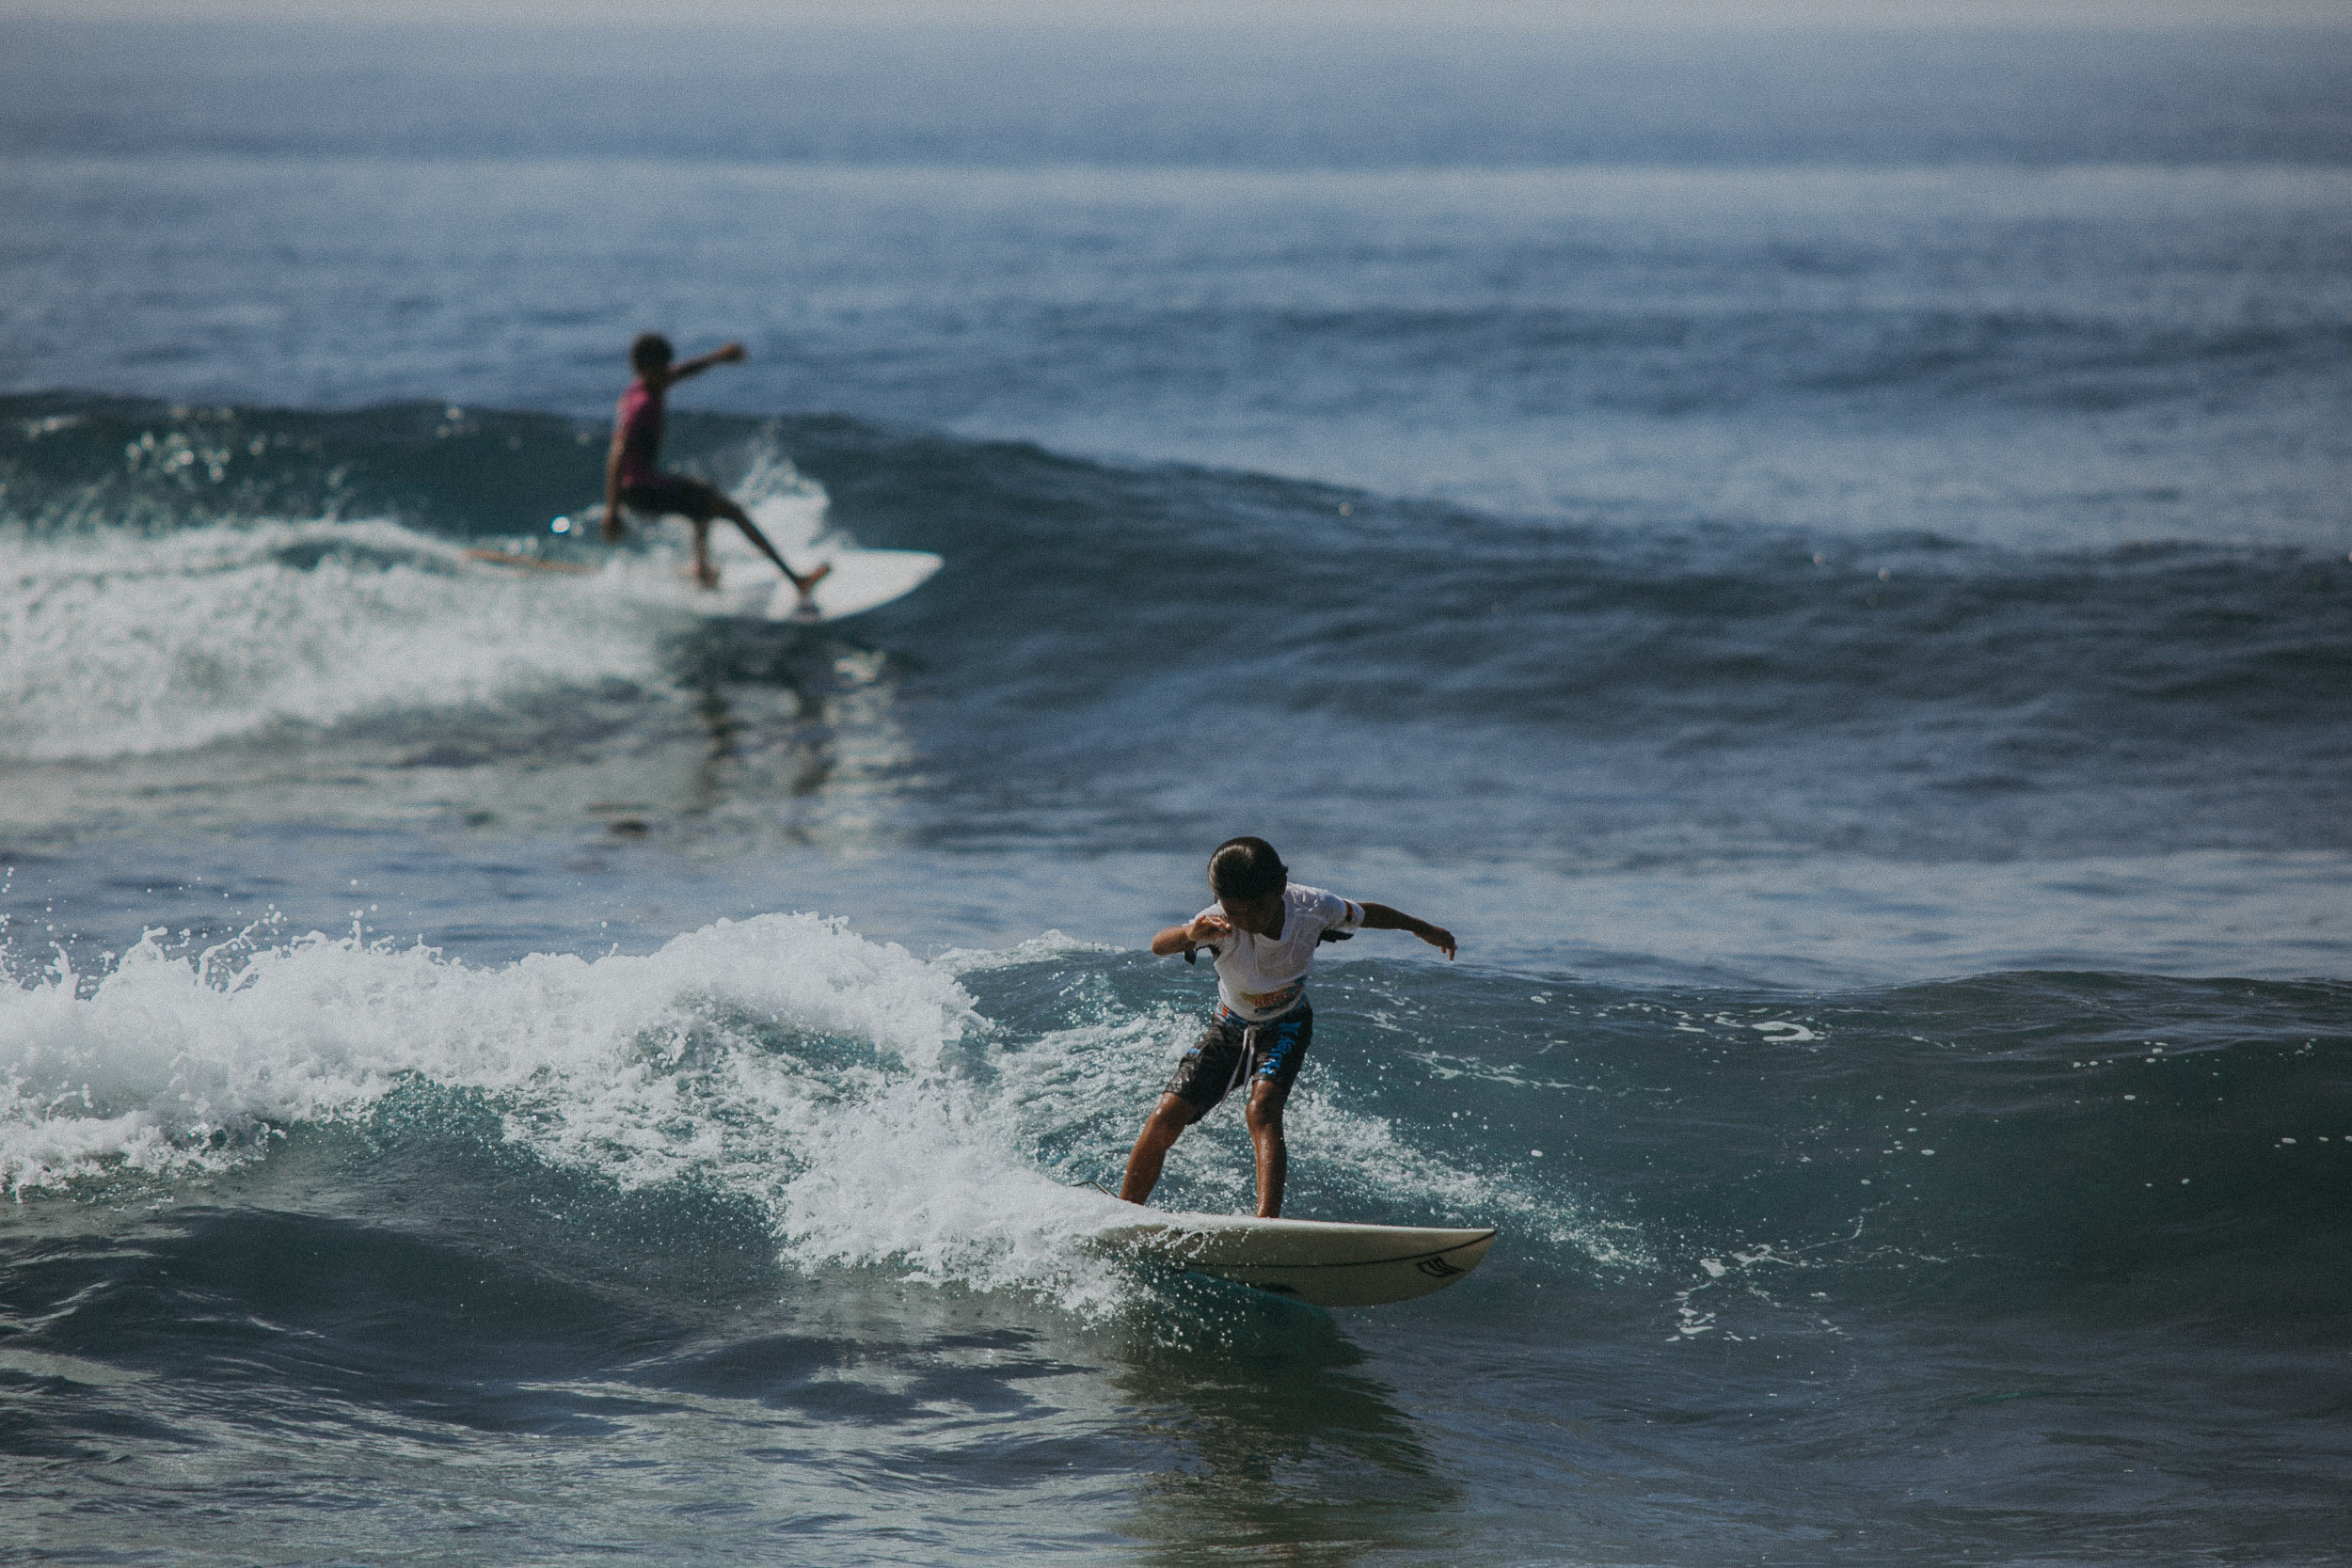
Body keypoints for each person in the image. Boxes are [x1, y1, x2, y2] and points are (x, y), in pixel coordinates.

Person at [1120, 836, 1456, 1219]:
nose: (1246, 921)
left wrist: (1422, 928)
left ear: (1280, 887)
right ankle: (1125, 1212)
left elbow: (1368, 914)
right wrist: (1191, 935)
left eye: (1257, 909)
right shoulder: (1217, 923)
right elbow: (1158, 944)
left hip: (1287, 1025)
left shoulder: (1313, 907)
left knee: (1262, 1109)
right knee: (1165, 1115)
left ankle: (1266, 1222)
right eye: (1235, 910)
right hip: (1228, 1028)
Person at [602, 333, 828, 595]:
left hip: (641, 484)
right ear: (644, 368)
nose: (667, 373)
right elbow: (617, 453)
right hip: (642, 490)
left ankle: (703, 573)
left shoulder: (645, 386)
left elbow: (682, 372)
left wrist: (718, 357)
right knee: (733, 512)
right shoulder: (642, 404)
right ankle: (797, 581)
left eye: (666, 367)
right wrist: (612, 510)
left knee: (703, 497)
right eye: (661, 368)